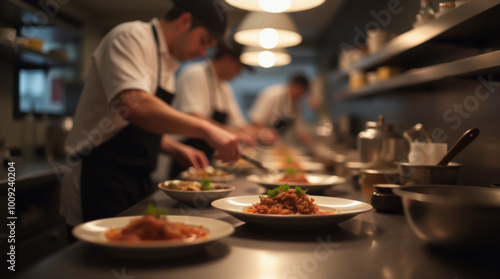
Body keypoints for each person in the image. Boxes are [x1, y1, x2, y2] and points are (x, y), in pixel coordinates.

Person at [60, 0, 240, 234]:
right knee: (100, 264)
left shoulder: (169, 63)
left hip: (136, 178)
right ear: (184, 21)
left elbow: (129, 127)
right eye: (204, 41)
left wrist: (174, 148)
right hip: (99, 175)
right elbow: (133, 104)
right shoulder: (130, 36)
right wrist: (205, 129)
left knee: (142, 255)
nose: (202, 53)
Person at [169, 43, 257, 177]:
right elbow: (194, 116)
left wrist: (256, 133)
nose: (238, 74)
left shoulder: (224, 87)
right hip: (185, 153)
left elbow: (238, 122)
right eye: (238, 69)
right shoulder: (194, 73)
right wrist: (234, 134)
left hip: (208, 158)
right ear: (227, 59)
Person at [248, 73, 313, 144]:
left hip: (273, 142)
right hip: (256, 140)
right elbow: (256, 119)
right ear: (292, 85)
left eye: (303, 93)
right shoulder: (273, 94)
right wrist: (267, 133)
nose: (300, 96)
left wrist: (312, 143)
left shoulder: (296, 105)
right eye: (300, 91)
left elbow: (300, 130)